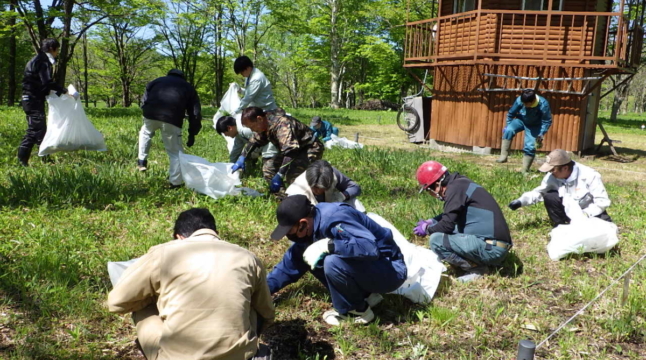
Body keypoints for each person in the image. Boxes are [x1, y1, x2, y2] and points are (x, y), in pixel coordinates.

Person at [107, 208, 274, 360]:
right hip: (239, 356)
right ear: (216, 233)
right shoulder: (248, 258)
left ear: (179, 237)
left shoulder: (163, 253)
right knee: (252, 302)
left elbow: (117, 303)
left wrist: (154, 298)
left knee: (140, 303)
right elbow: (266, 313)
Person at [267, 195, 407, 325]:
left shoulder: (335, 218)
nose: (289, 237)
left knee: (332, 262)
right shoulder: (311, 228)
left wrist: (331, 245)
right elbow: (288, 267)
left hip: (390, 271)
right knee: (310, 255)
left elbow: (369, 248)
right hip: (373, 268)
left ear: (302, 223)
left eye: (290, 232)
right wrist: (261, 290)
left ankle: (356, 312)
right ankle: (367, 296)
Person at [414, 161, 512, 282]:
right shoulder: (460, 184)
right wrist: (432, 221)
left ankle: (477, 268)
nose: (430, 194)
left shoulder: (454, 190)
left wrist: (427, 230)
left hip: (493, 250)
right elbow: (452, 214)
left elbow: (446, 226)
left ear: (436, 185)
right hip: (495, 245)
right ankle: (478, 262)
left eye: (428, 190)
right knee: (450, 231)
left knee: (436, 240)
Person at [508, 149, 612, 227]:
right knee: (550, 196)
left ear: (565, 168)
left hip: (589, 212)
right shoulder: (552, 176)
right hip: (568, 211)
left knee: (603, 229)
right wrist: (521, 201)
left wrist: (584, 215)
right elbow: (540, 192)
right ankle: (561, 226)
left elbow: (602, 202)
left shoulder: (590, 175)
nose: (550, 173)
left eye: (553, 170)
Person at [231, 107, 324, 193]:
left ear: (259, 119)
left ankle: (306, 198)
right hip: (291, 149)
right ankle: (282, 197)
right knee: (268, 169)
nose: (252, 130)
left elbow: (291, 152)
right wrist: (242, 157)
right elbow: (254, 141)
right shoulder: (265, 122)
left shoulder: (282, 124)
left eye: (252, 127)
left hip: (309, 147)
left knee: (293, 175)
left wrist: (280, 174)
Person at [137, 69, 202, 188]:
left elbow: (144, 100)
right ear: (183, 77)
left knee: (146, 132)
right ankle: (175, 183)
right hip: (172, 118)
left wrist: (147, 110)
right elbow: (195, 113)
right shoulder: (188, 87)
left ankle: (141, 161)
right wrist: (192, 133)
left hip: (150, 114)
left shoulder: (155, 82)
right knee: (175, 152)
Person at [18, 38, 75, 166]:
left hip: (31, 99)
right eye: (57, 50)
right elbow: (47, 82)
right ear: (52, 49)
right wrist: (64, 91)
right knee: (34, 130)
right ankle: (22, 160)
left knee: (41, 130)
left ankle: (45, 159)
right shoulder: (43, 62)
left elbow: (40, 84)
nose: (57, 52)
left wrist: (53, 92)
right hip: (32, 100)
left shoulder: (37, 60)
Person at [497, 89, 552, 173]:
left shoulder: (543, 104)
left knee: (530, 146)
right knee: (508, 130)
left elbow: (546, 121)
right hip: (521, 121)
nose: (525, 105)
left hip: (535, 126)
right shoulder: (520, 100)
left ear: (533, 101)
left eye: (527, 104)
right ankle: (503, 156)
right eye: (523, 103)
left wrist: (541, 134)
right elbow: (511, 114)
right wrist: (507, 126)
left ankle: (525, 170)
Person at [216, 115, 280, 182]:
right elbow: (236, 150)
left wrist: (243, 156)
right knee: (246, 155)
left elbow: (261, 138)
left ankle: (274, 178)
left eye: (224, 133)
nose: (226, 135)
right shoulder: (238, 133)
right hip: (261, 144)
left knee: (268, 169)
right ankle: (252, 167)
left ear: (229, 128)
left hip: (271, 142)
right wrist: (231, 166)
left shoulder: (245, 129)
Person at [285, 160, 364, 211]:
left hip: (331, 210)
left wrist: (342, 196)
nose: (319, 191)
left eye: (323, 188)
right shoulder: (295, 193)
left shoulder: (333, 174)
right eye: (315, 187)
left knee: (354, 201)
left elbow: (355, 187)